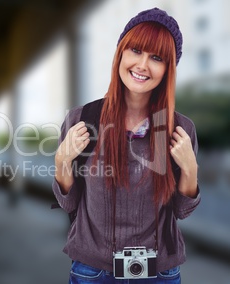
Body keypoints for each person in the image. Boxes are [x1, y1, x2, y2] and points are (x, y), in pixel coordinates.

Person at [53, 7, 200, 283]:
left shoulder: (179, 130)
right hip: (92, 271)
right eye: (135, 51)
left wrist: (190, 170)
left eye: (156, 57)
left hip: (160, 272)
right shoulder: (82, 120)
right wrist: (61, 162)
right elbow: (69, 202)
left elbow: (182, 210)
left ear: (168, 68)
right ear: (120, 53)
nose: (143, 65)